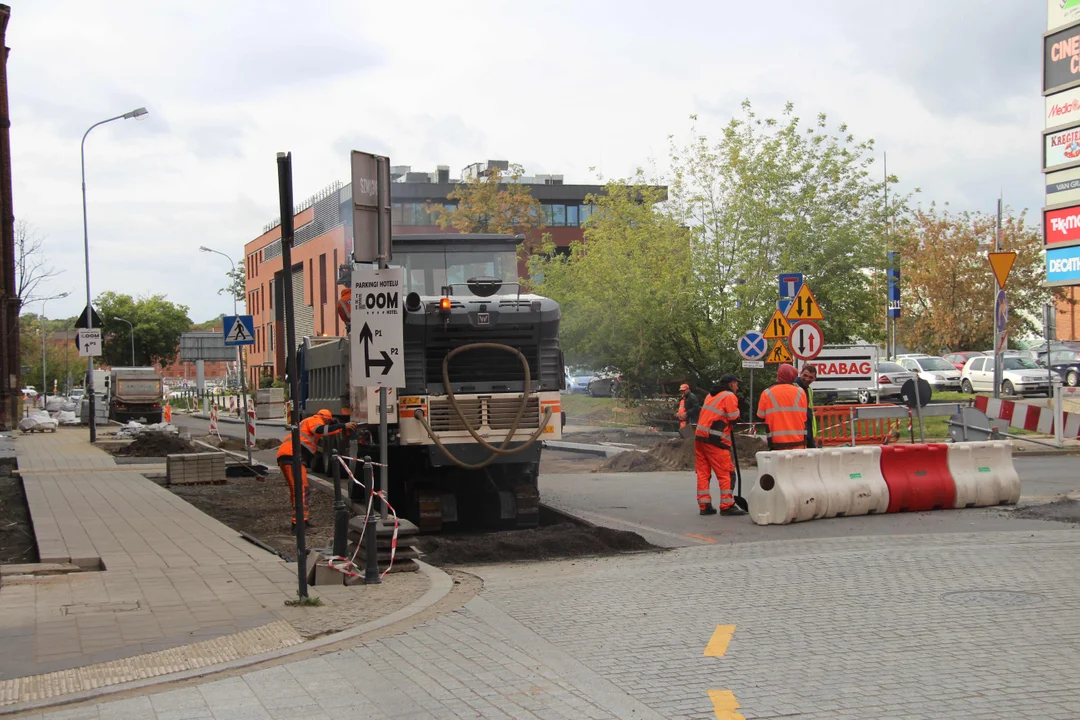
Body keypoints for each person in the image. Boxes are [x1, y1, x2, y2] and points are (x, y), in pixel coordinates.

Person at [277, 415, 358, 531]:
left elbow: (326, 432)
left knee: (297, 491)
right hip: (292, 456)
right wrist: (343, 425)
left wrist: (342, 429)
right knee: (302, 490)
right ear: (326, 419)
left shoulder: (307, 421)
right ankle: (299, 524)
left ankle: (300, 521)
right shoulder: (315, 421)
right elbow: (320, 429)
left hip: (287, 456)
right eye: (328, 422)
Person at [694, 374, 746, 516]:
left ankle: (704, 505)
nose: (737, 387)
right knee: (726, 472)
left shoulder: (711, 395)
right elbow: (734, 417)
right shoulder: (729, 396)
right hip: (715, 439)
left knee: (703, 473)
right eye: (736, 384)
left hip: (700, 437)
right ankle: (727, 504)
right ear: (731, 384)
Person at [757, 364, 809, 450]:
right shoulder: (800, 392)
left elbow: (760, 416)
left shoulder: (767, 393)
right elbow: (804, 415)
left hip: (776, 444)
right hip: (799, 443)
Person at [796, 364, 819, 448]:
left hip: (808, 432)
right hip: (798, 432)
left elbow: (809, 411)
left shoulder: (809, 390)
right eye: (805, 375)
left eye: (810, 377)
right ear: (800, 373)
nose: (807, 379)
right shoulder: (794, 387)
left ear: (814, 378)